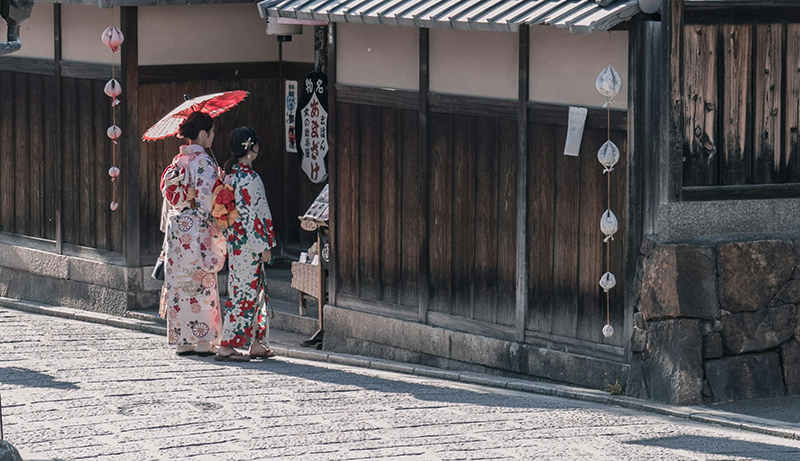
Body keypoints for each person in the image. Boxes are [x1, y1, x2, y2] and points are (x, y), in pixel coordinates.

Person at [159, 111, 226, 356]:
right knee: (201, 285)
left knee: (179, 284)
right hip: (197, 229)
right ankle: (204, 341)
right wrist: (221, 183)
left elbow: (170, 196)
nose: (213, 135)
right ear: (203, 133)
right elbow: (210, 200)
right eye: (212, 131)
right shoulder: (205, 162)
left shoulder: (178, 161)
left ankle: (182, 340)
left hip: (178, 231)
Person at [215, 127, 277, 362]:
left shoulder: (229, 176)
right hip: (248, 243)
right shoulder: (249, 178)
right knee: (244, 293)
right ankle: (228, 345)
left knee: (252, 291)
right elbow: (253, 215)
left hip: (236, 241)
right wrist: (264, 245)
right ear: (251, 147)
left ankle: (257, 343)